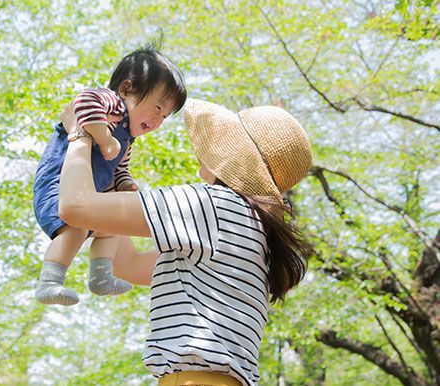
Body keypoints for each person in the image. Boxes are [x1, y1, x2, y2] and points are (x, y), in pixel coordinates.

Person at [57, 98, 314, 386]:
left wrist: (79, 135)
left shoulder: (213, 205)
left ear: (232, 155)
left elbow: (74, 206)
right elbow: (127, 264)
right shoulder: (255, 231)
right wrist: (112, 178)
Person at [33, 45, 187, 306]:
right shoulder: (113, 105)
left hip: (89, 196)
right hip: (58, 187)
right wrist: (104, 138)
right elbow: (83, 102)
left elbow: (119, 168)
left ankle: (101, 276)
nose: (158, 119)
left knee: (114, 226)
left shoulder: (127, 139)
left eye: (164, 116)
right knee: (76, 229)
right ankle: (50, 281)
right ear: (127, 89)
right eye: (157, 107)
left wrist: (125, 183)